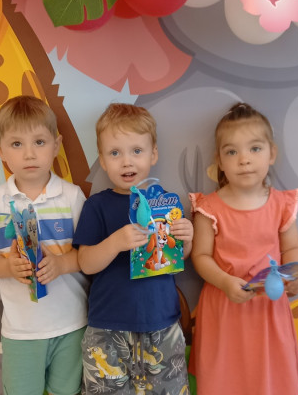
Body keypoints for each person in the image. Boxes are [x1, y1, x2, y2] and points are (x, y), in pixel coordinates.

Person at [0, 95, 88, 395]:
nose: (29, 154)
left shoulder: (72, 196)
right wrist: (8, 267)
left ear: (56, 145)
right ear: (0, 150)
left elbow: (88, 256)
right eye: (16, 144)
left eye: (39, 142)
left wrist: (61, 264)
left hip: (72, 324)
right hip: (21, 332)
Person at [189, 102, 298, 394]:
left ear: (272, 154)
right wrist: (225, 281)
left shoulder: (281, 204)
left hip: (269, 307)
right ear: (220, 160)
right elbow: (200, 256)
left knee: (269, 381)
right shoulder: (208, 208)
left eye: (255, 149)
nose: (244, 160)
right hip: (224, 307)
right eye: (232, 152)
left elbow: (292, 249)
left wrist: (295, 277)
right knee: (224, 381)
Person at [73, 103, 192, 394]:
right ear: (102, 160)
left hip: (162, 325)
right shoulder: (97, 205)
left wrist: (187, 238)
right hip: (107, 328)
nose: (126, 162)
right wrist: (115, 243)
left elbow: (177, 259)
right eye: (115, 153)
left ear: (153, 154)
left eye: (136, 151)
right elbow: (85, 263)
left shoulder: (166, 203)